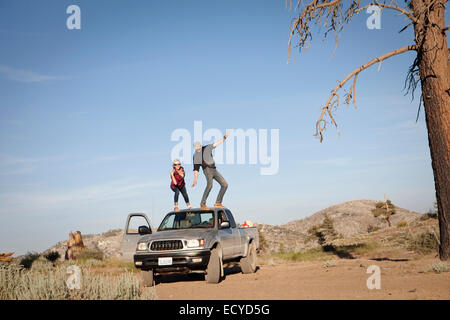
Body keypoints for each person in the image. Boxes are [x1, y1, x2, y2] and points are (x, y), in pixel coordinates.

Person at [192, 130, 229, 209]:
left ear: (201, 146)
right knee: (210, 185)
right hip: (207, 170)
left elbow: (216, 144)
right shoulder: (196, 156)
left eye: (199, 148)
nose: (198, 150)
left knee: (225, 185)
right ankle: (202, 204)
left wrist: (224, 138)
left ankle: (218, 202)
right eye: (196, 149)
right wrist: (195, 179)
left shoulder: (207, 148)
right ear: (195, 149)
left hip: (214, 169)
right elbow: (196, 169)